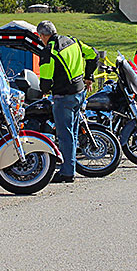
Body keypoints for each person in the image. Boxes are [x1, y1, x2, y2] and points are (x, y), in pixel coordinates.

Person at [36, 20, 98, 184]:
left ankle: (67, 173)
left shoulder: (49, 51)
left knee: (65, 136)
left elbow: (45, 80)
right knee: (72, 133)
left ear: (41, 35)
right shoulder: (73, 41)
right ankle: (71, 166)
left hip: (64, 97)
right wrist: (88, 76)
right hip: (79, 93)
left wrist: (43, 91)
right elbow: (93, 54)